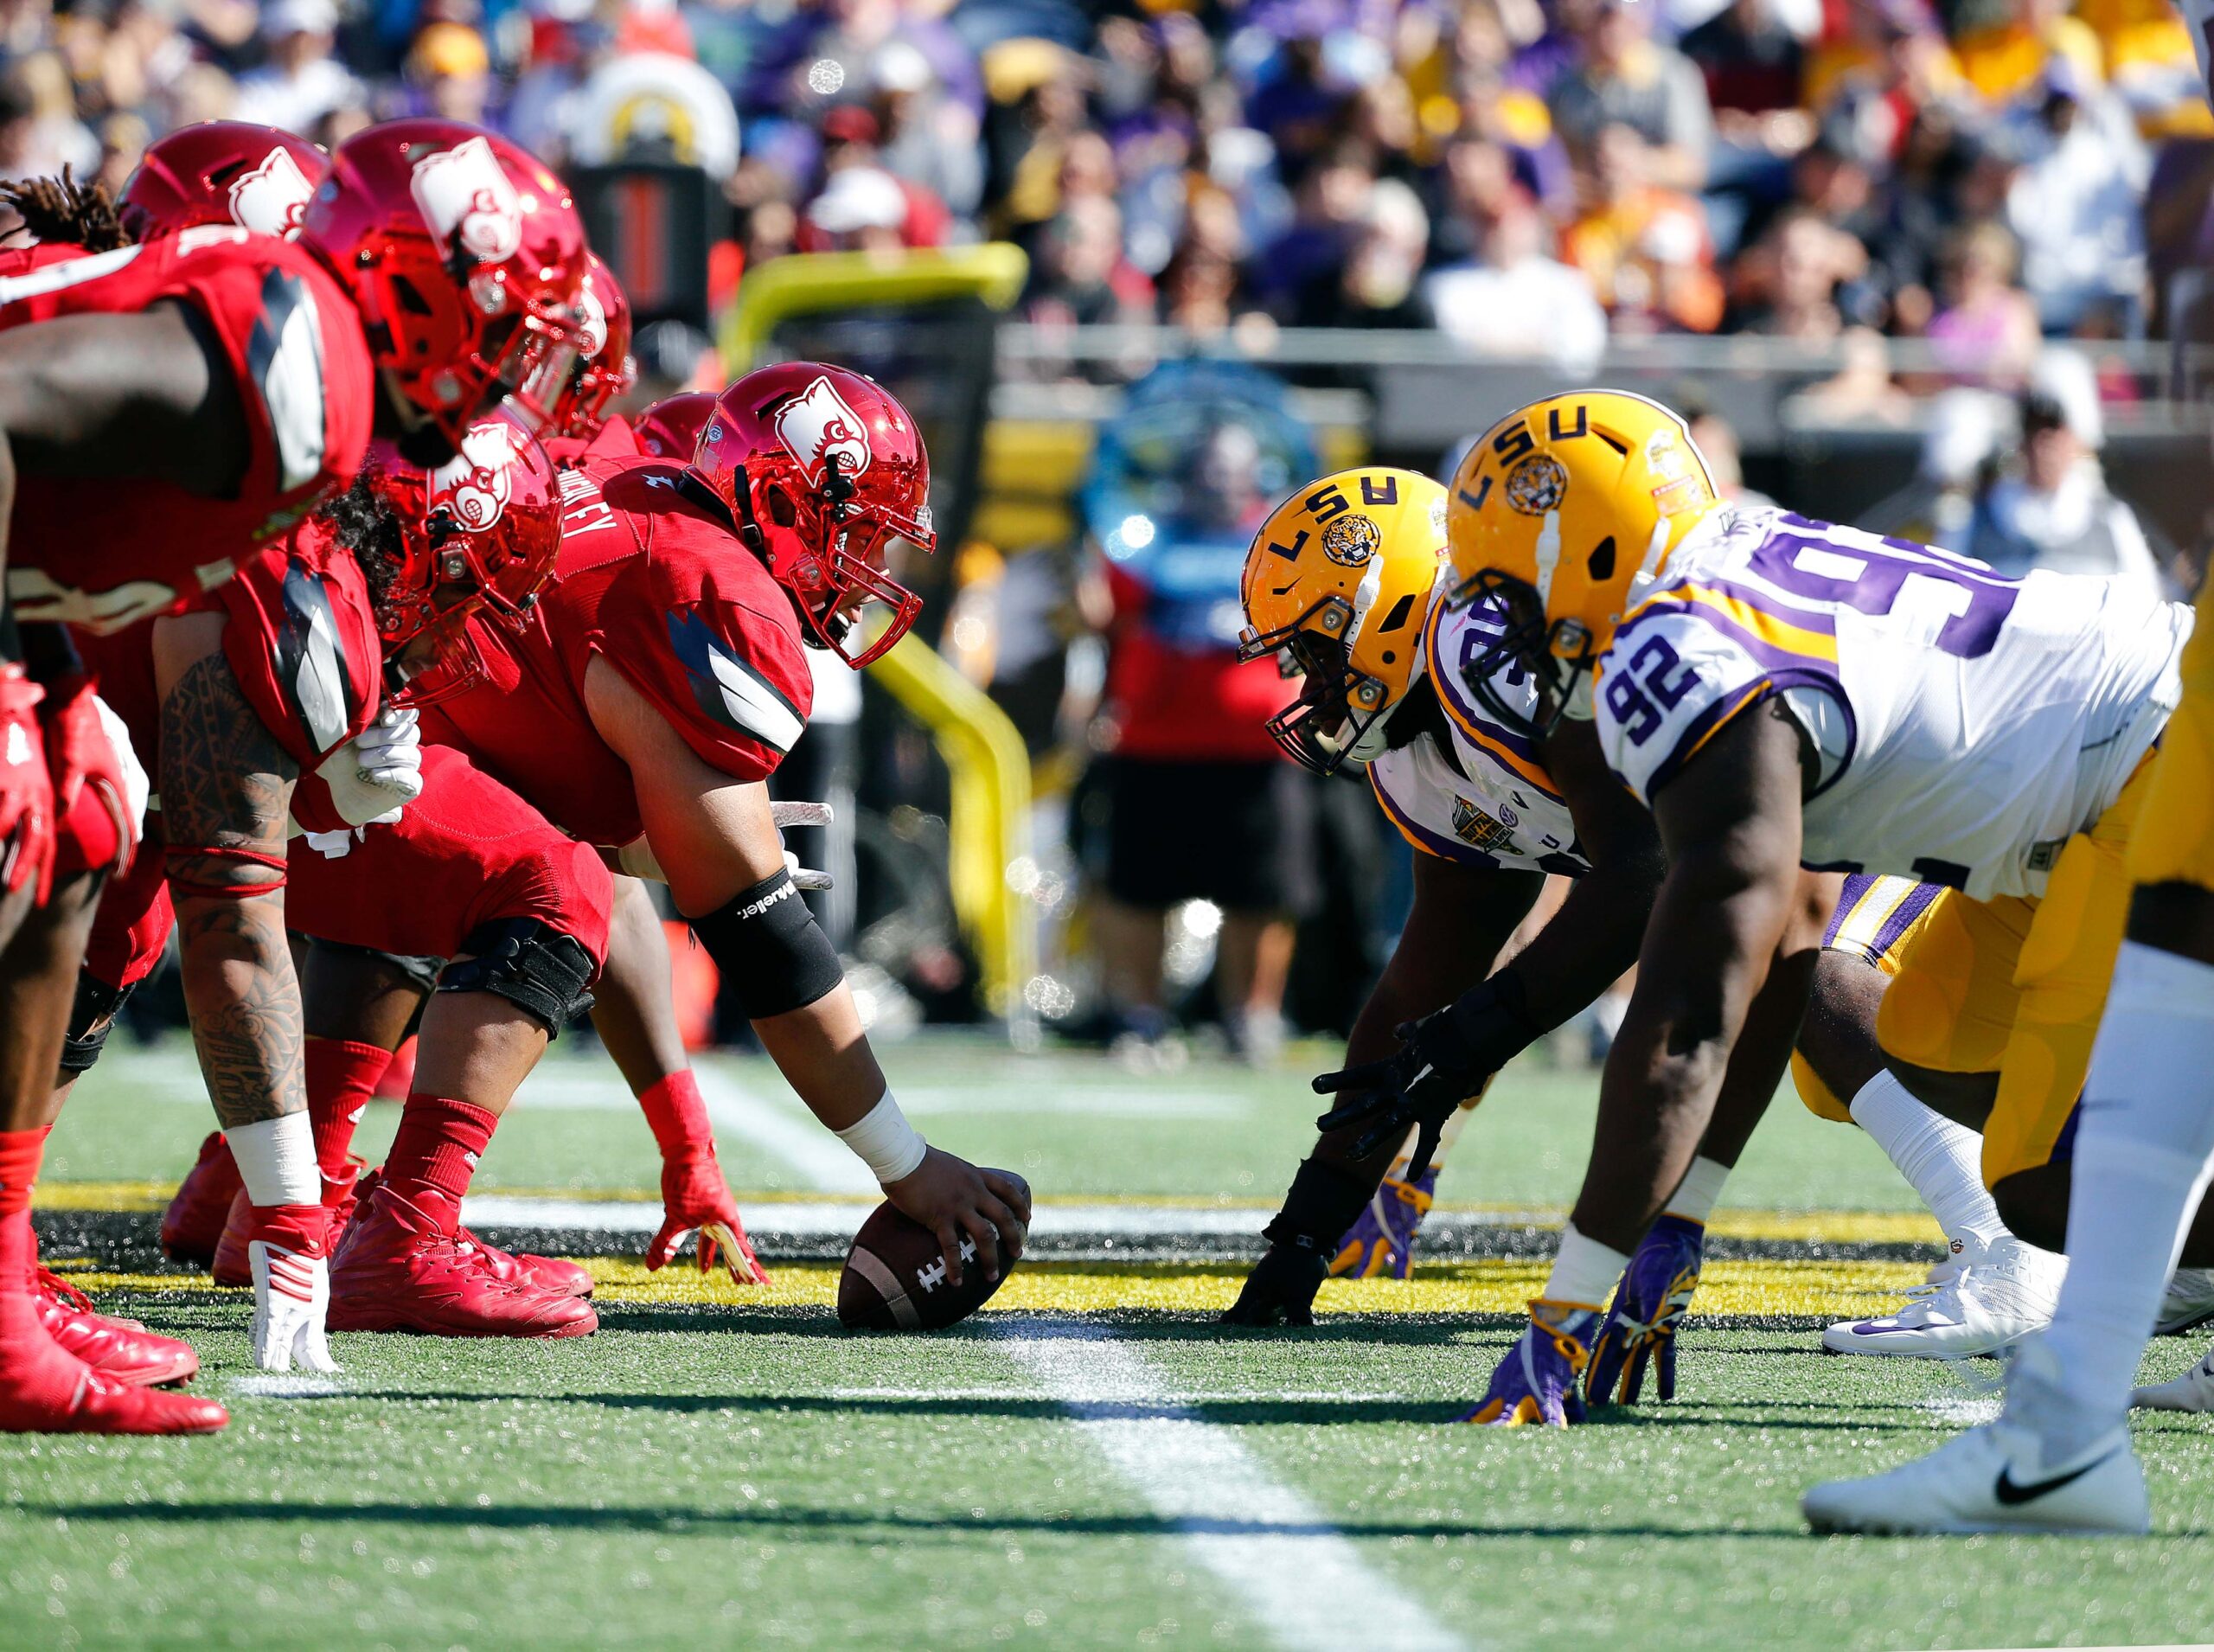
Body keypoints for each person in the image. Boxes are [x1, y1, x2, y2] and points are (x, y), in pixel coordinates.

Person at [1424, 388, 2193, 1459]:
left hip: (2154, 756)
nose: (1496, 615)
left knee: (2044, 1184)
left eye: (1502, 581)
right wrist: (1679, 1218)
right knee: (1922, 1031)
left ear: (1587, 552)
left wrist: (1565, 1307)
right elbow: (1788, 930)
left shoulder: (1684, 658)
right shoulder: (1732, 551)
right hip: (2082, 785)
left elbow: (1690, 1018)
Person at [0, 116, 591, 1432]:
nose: (510, 381)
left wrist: (290, 1219)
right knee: (41, 792)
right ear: (415, 289)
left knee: (86, 802)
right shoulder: (294, 352)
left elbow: (231, 892)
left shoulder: (310, 432)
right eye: (503, 328)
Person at [1961, 348, 2161, 605]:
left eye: (2055, 428)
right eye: (2032, 427)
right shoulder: (1976, 518)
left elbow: (2147, 606)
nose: (2042, 443)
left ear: (2077, 438)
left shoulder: (2112, 520)